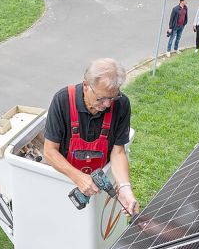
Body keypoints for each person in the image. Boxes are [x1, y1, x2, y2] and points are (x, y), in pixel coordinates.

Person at [44, 58, 139, 216]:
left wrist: (124, 188)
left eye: (112, 97)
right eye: (101, 98)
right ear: (86, 85)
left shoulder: (121, 104)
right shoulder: (62, 101)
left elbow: (118, 152)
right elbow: (49, 152)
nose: (108, 105)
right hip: (65, 180)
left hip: (100, 183)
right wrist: (78, 177)